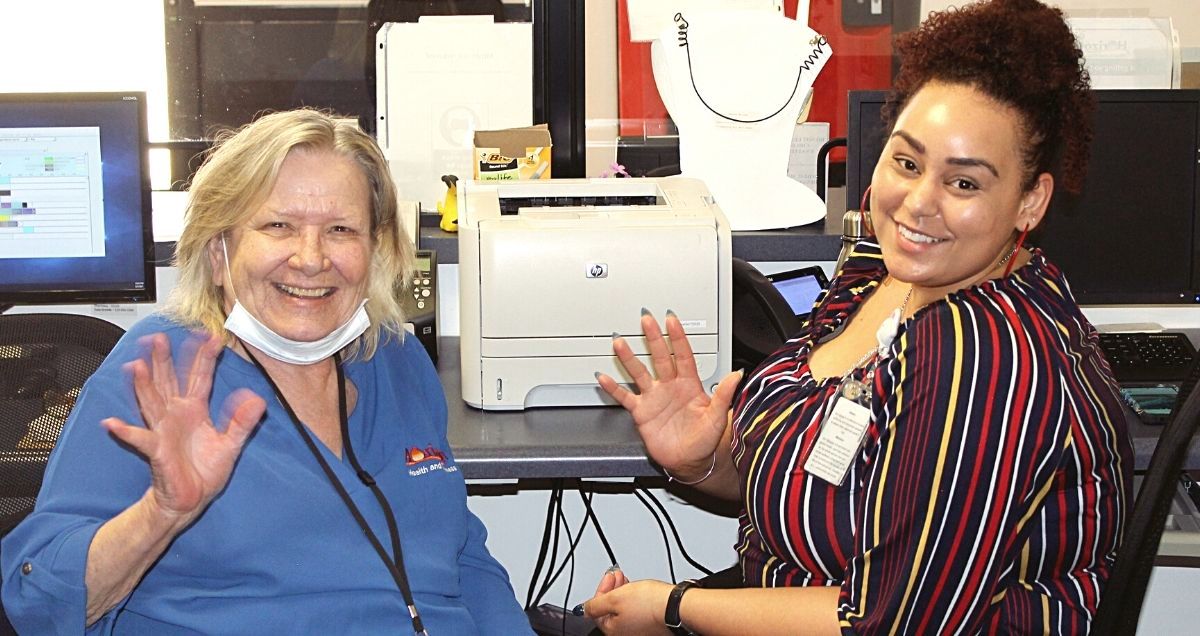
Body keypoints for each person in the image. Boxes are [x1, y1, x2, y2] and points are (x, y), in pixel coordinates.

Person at [585, 0, 1133, 633]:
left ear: (1029, 201)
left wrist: (674, 609)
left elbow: (891, 622)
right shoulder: (882, 271)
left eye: (964, 184)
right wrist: (703, 461)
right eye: (907, 162)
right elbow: (826, 487)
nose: (917, 203)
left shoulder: (983, 351)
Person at [1, 109, 532, 634]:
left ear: (375, 251)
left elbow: (460, 558)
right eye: (279, 226)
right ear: (218, 252)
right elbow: (37, 604)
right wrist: (160, 514)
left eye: (341, 230)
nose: (310, 258)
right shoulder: (163, 366)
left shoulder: (394, 358)